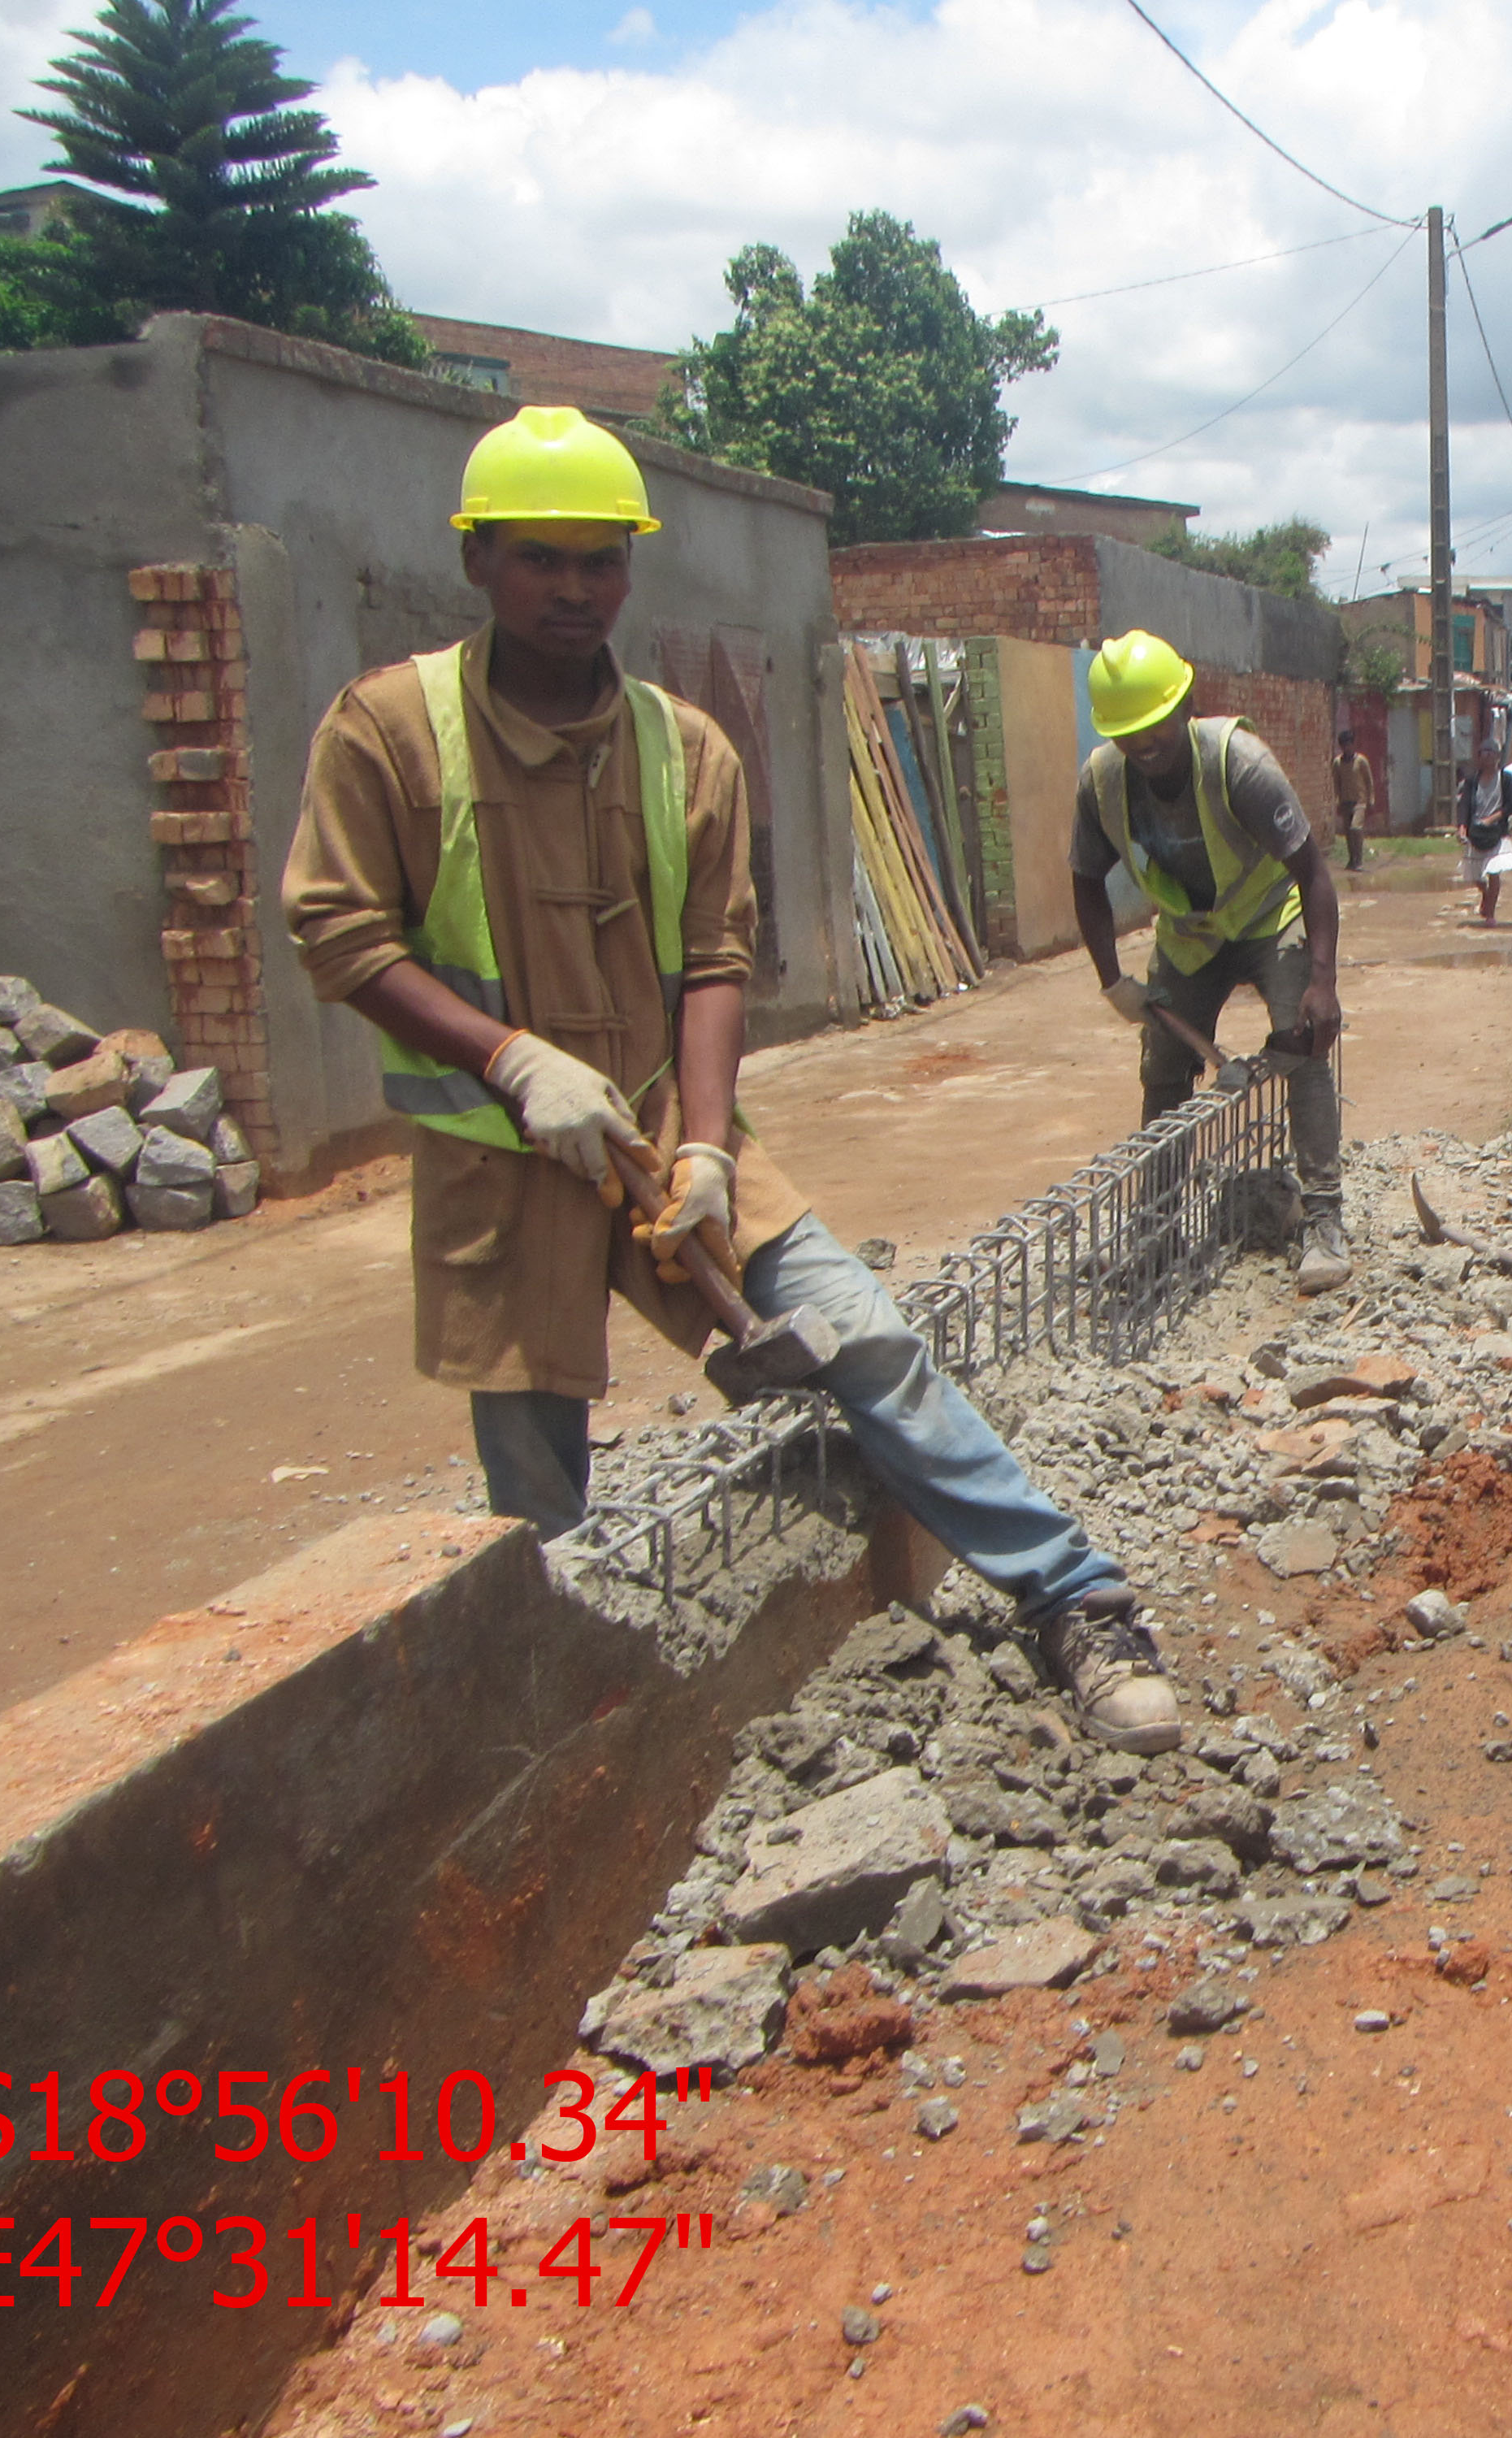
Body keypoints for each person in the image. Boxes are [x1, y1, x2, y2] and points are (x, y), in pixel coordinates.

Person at [278, 406, 1181, 1754]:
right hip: (497, 1152)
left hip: (659, 1126)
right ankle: (580, 1740)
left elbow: (714, 961)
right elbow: (340, 934)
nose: (574, 590)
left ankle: (1076, 1599)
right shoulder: (389, 732)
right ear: (477, 562)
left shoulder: (680, 747)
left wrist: (704, 1148)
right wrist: (512, 1059)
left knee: (865, 1335)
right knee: (533, 1467)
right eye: (541, 559)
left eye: (601, 562)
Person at [1067, 630, 1351, 1294]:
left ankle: (1323, 1220)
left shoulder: (1238, 763)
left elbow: (1312, 872)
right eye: (1129, 734)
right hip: (1191, 934)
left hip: (1264, 912)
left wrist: (1321, 981)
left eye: (1156, 729)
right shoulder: (1105, 783)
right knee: (1163, 1066)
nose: (1145, 747)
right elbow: (1085, 880)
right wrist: (1113, 982)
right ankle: (1157, 1231)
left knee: (1305, 1043)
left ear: (1185, 705)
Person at [1458, 714, 1512, 926]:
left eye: (1489, 753)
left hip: (1497, 832)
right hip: (1475, 832)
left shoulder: (1505, 779)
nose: (1486, 757)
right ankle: (1485, 894)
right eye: (1482, 753)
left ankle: (1491, 913)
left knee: (1494, 872)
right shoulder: (1472, 780)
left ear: (1496, 756)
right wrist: (1462, 828)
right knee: (1474, 874)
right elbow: (1465, 805)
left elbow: (1511, 806)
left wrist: (1492, 819)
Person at [1331, 725, 1376, 873]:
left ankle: (1359, 859)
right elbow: (1336, 782)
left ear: (1353, 744)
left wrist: (1371, 799)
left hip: (1359, 802)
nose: (1346, 748)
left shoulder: (1361, 761)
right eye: (1344, 745)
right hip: (1345, 802)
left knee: (1356, 828)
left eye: (1349, 745)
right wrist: (1337, 800)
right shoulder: (1337, 763)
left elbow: (1369, 781)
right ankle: (1352, 860)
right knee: (1348, 833)